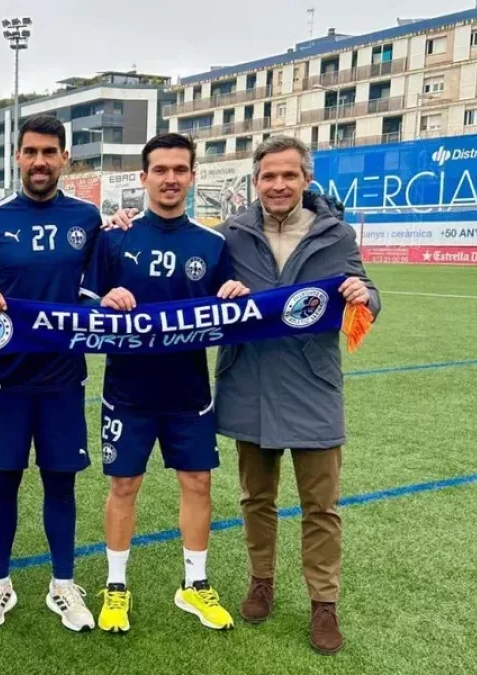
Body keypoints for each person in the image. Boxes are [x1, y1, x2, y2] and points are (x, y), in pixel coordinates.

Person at [214, 135, 379, 655]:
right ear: (255, 182)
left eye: (289, 175)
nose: (278, 185)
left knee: (321, 507)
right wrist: (225, 294)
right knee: (255, 499)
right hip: (250, 383)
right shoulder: (232, 236)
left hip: (313, 385)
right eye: (268, 176)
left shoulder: (335, 235)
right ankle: (261, 581)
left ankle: (323, 604)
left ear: (306, 180)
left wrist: (363, 296)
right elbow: (199, 293)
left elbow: (367, 292)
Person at [81, 132, 249, 634]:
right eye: (161, 169)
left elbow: (233, 309)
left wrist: (235, 294)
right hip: (128, 392)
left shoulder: (213, 243)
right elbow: (84, 307)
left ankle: (194, 586)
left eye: (180, 169)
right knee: (124, 485)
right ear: (144, 177)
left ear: (193, 176)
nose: (170, 178)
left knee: (197, 482)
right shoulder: (114, 238)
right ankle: (116, 587)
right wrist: (104, 302)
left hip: (188, 392)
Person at [0, 114, 104, 632]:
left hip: (64, 379)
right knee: (3, 483)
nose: (39, 161)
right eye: (30, 152)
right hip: (5, 379)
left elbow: (97, 292)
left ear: (65, 157)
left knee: (60, 484)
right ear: (17, 158)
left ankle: (62, 584)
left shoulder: (88, 219)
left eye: (49, 152)